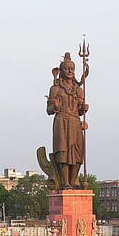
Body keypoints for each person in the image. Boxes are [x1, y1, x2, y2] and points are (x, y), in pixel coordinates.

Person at [46, 52, 88, 189]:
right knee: (63, 152)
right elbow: (49, 110)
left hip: (75, 123)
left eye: (72, 69)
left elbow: (80, 110)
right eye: (67, 69)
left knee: (77, 153)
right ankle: (65, 182)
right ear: (61, 71)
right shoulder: (55, 89)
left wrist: (83, 108)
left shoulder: (78, 90)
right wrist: (55, 106)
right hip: (61, 122)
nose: (70, 71)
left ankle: (73, 180)